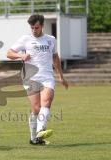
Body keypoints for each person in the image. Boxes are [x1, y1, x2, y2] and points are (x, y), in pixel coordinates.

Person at [7, 14, 68, 145]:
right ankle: (33, 138)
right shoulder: (25, 39)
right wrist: (20, 55)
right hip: (30, 77)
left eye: (37, 27)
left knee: (47, 101)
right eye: (32, 28)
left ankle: (41, 130)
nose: (34, 30)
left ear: (42, 26)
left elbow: (55, 58)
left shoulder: (51, 40)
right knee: (36, 108)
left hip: (47, 76)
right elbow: (9, 53)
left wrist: (61, 76)